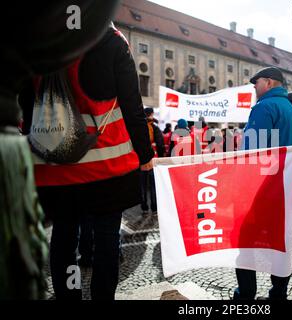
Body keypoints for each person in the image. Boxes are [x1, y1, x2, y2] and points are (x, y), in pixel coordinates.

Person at [20, 24, 154, 300]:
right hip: (107, 163)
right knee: (106, 238)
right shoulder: (112, 40)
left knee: (64, 237)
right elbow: (132, 105)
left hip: (56, 166)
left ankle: (69, 296)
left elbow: (27, 100)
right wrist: (145, 156)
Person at [234, 66, 292, 300]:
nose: (254, 87)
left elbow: (252, 153)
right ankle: (278, 294)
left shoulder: (264, 107)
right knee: (280, 243)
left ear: (270, 83)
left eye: (257, 83)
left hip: (261, 189)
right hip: (285, 189)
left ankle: (245, 294)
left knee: (245, 240)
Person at [141, 107, 164, 215]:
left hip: (141, 162)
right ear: (150, 115)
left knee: (143, 186)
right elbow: (160, 145)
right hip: (153, 162)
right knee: (154, 186)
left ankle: (144, 207)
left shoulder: (139, 128)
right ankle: (154, 207)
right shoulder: (155, 128)